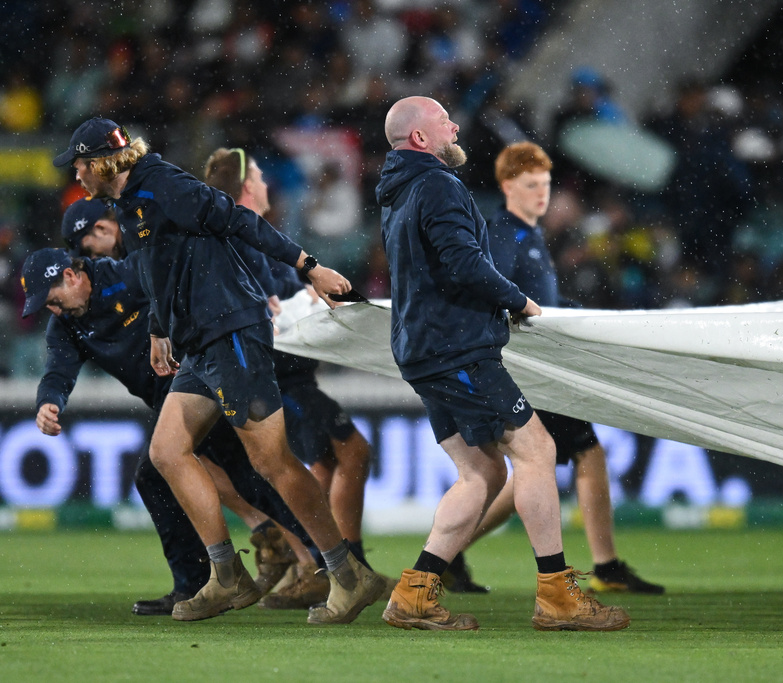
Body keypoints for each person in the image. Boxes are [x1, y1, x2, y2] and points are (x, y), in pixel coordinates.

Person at [52, 116, 384, 623]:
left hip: (231, 331)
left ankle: (347, 573)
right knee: (167, 453)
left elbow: (239, 221)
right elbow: (155, 268)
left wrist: (308, 265)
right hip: (198, 341)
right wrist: (162, 327)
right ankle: (227, 576)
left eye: (78, 164)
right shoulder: (128, 201)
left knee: (272, 463)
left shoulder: (167, 186)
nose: (75, 174)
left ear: (100, 161)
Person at [375, 95, 629, 631]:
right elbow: (462, 263)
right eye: (445, 121)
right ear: (421, 139)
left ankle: (414, 594)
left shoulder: (395, 192)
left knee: (480, 471)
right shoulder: (438, 185)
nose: (456, 125)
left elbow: (426, 270)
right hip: (455, 347)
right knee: (537, 449)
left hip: (420, 348)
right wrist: (517, 301)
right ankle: (557, 596)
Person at [21, 247, 315, 614]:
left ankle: (298, 562)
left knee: (230, 473)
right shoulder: (66, 325)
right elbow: (57, 372)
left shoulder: (127, 275)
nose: (54, 311)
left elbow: (188, 277)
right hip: (174, 399)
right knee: (245, 474)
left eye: (53, 300)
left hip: (202, 379)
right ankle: (317, 558)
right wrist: (49, 402)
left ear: (71, 276)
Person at [442, 141, 663, 596]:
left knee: (543, 463)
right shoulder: (506, 232)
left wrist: (568, 310)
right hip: (531, 368)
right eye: (530, 185)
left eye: (545, 184)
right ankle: (604, 567)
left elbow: (531, 298)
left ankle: (451, 552)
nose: (541, 193)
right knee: (576, 454)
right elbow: (496, 288)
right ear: (507, 186)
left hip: (541, 365)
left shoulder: (531, 233)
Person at [203, 146, 395, 608]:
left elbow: (287, 298)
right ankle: (335, 564)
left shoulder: (254, 239)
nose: (269, 185)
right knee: (348, 453)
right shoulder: (243, 242)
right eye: (262, 177)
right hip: (280, 380)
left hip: (291, 377)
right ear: (246, 187)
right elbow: (272, 307)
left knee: (330, 462)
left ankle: (324, 565)